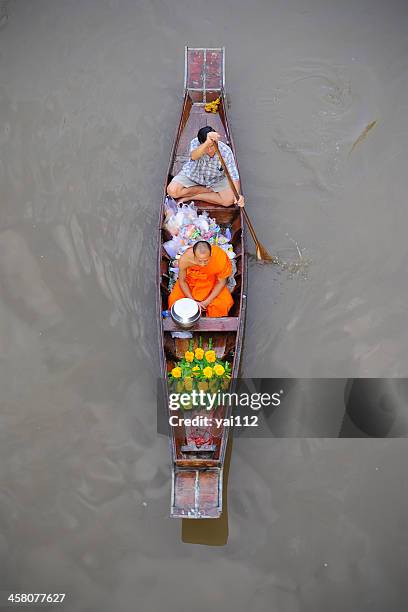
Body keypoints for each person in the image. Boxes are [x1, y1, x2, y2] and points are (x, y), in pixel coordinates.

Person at [167, 126, 245, 207]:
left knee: (229, 200)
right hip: (194, 175)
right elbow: (193, 156)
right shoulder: (195, 142)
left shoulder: (226, 151)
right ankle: (208, 190)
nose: (210, 150)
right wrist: (207, 143)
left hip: (216, 180)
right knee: (172, 191)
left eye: (212, 146)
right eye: (207, 147)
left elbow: (234, 176)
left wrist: (238, 196)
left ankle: (193, 196)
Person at [168, 240, 234, 318]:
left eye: (206, 261)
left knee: (223, 304)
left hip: (212, 280)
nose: (202, 264)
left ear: (211, 255)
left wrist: (206, 302)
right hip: (191, 280)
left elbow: (221, 282)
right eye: (199, 261)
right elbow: (182, 281)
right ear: (194, 255)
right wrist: (192, 301)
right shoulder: (185, 259)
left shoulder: (219, 256)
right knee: (174, 302)